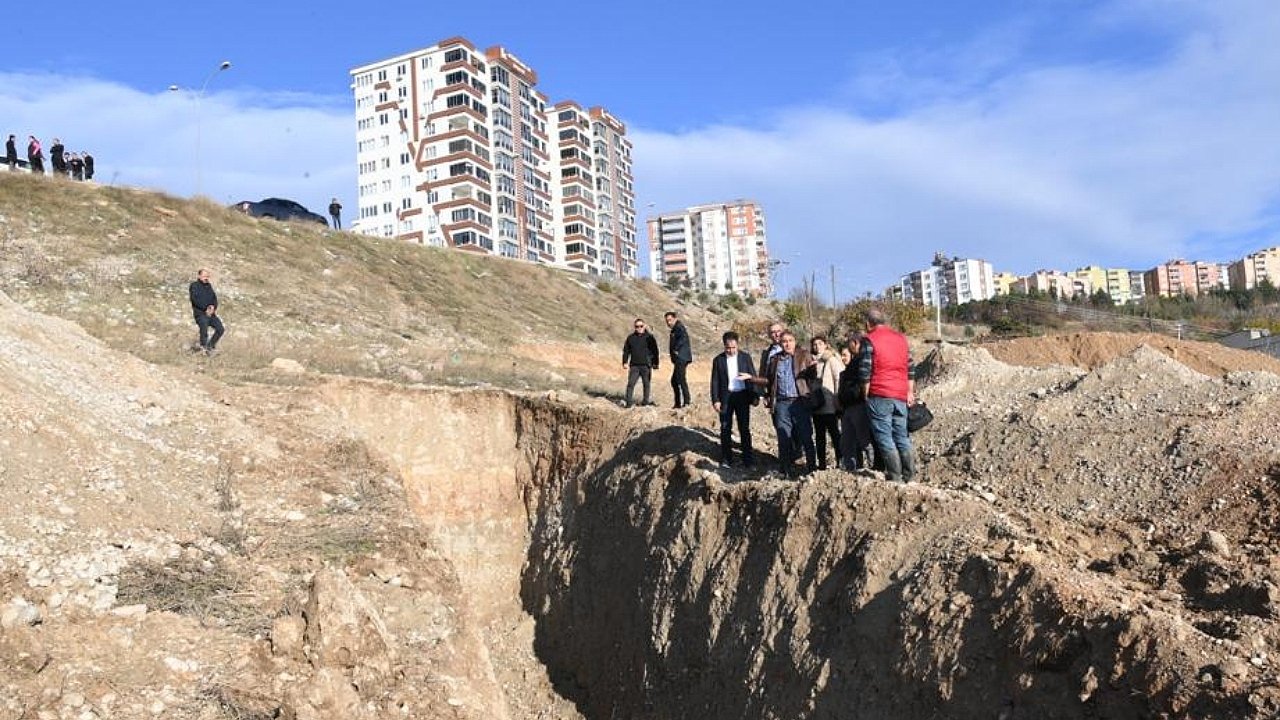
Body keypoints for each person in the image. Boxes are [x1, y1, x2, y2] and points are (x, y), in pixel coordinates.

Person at [857, 308, 916, 482]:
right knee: (902, 436)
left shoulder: (869, 339)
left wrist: (865, 394)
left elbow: (865, 370)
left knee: (884, 437)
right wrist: (909, 391)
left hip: (879, 393)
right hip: (900, 395)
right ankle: (910, 475)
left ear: (868, 323)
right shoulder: (901, 339)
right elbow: (910, 368)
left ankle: (895, 476)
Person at [749, 329, 817, 476]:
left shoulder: (804, 355)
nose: (787, 344)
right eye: (784, 341)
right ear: (780, 343)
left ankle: (812, 469)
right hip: (782, 404)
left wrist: (814, 369)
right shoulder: (775, 360)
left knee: (806, 436)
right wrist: (752, 378)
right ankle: (785, 470)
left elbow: (812, 376)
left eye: (790, 341)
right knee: (783, 437)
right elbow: (769, 380)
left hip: (800, 401)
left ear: (795, 342)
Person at [709, 331, 756, 468]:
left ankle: (748, 459)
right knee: (725, 428)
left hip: (742, 396)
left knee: (744, 428)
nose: (731, 350)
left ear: (737, 345)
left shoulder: (745, 358)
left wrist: (755, 395)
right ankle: (726, 458)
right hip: (726, 397)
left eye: (733, 347)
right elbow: (715, 381)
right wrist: (715, 400)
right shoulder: (718, 360)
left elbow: (752, 376)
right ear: (724, 346)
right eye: (728, 348)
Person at [837, 335, 873, 470]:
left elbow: (864, 381)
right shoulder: (848, 368)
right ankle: (851, 469)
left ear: (856, 343)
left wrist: (864, 396)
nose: (843, 358)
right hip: (848, 407)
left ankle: (874, 468)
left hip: (859, 405)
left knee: (865, 440)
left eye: (845, 354)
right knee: (847, 442)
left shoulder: (862, 361)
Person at [809, 335, 844, 470]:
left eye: (820, 343)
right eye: (815, 344)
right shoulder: (812, 361)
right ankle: (822, 464)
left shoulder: (831, 359)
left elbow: (838, 378)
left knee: (834, 433)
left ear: (825, 345)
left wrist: (837, 398)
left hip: (830, 403)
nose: (817, 346)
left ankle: (841, 461)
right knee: (819, 436)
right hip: (816, 403)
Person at [621, 318, 659, 407]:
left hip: (646, 365)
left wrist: (655, 363)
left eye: (641, 326)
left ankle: (645, 403)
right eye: (637, 326)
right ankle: (628, 403)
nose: (639, 328)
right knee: (630, 384)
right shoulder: (631, 338)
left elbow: (655, 351)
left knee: (646, 385)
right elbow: (626, 350)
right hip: (634, 366)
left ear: (644, 326)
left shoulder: (649, 337)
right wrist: (624, 362)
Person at [189, 268, 225, 355]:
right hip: (200, 314)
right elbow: (195, 300)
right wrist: (206, 308)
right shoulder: (194, 286)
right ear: (199, 276)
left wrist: (213, 307)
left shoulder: (209, 286)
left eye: (207, 276)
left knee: (220, 329)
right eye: (204, 276)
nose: (206, 278)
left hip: (211, 313)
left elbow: (214, 299)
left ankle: (210, 347)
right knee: (204, 328)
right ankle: (203, 348)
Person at [665, 310, 693, 409]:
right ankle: (678, 403)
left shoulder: (679, 327)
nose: (668, 323)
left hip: (682, 357)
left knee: (681, 379)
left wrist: (676, 349)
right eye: (667, 321)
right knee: (675, 381)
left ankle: (686, 402)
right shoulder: (675, 329)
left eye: (670, 320)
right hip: (679, 358)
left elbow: (683, 338)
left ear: (675, 319)